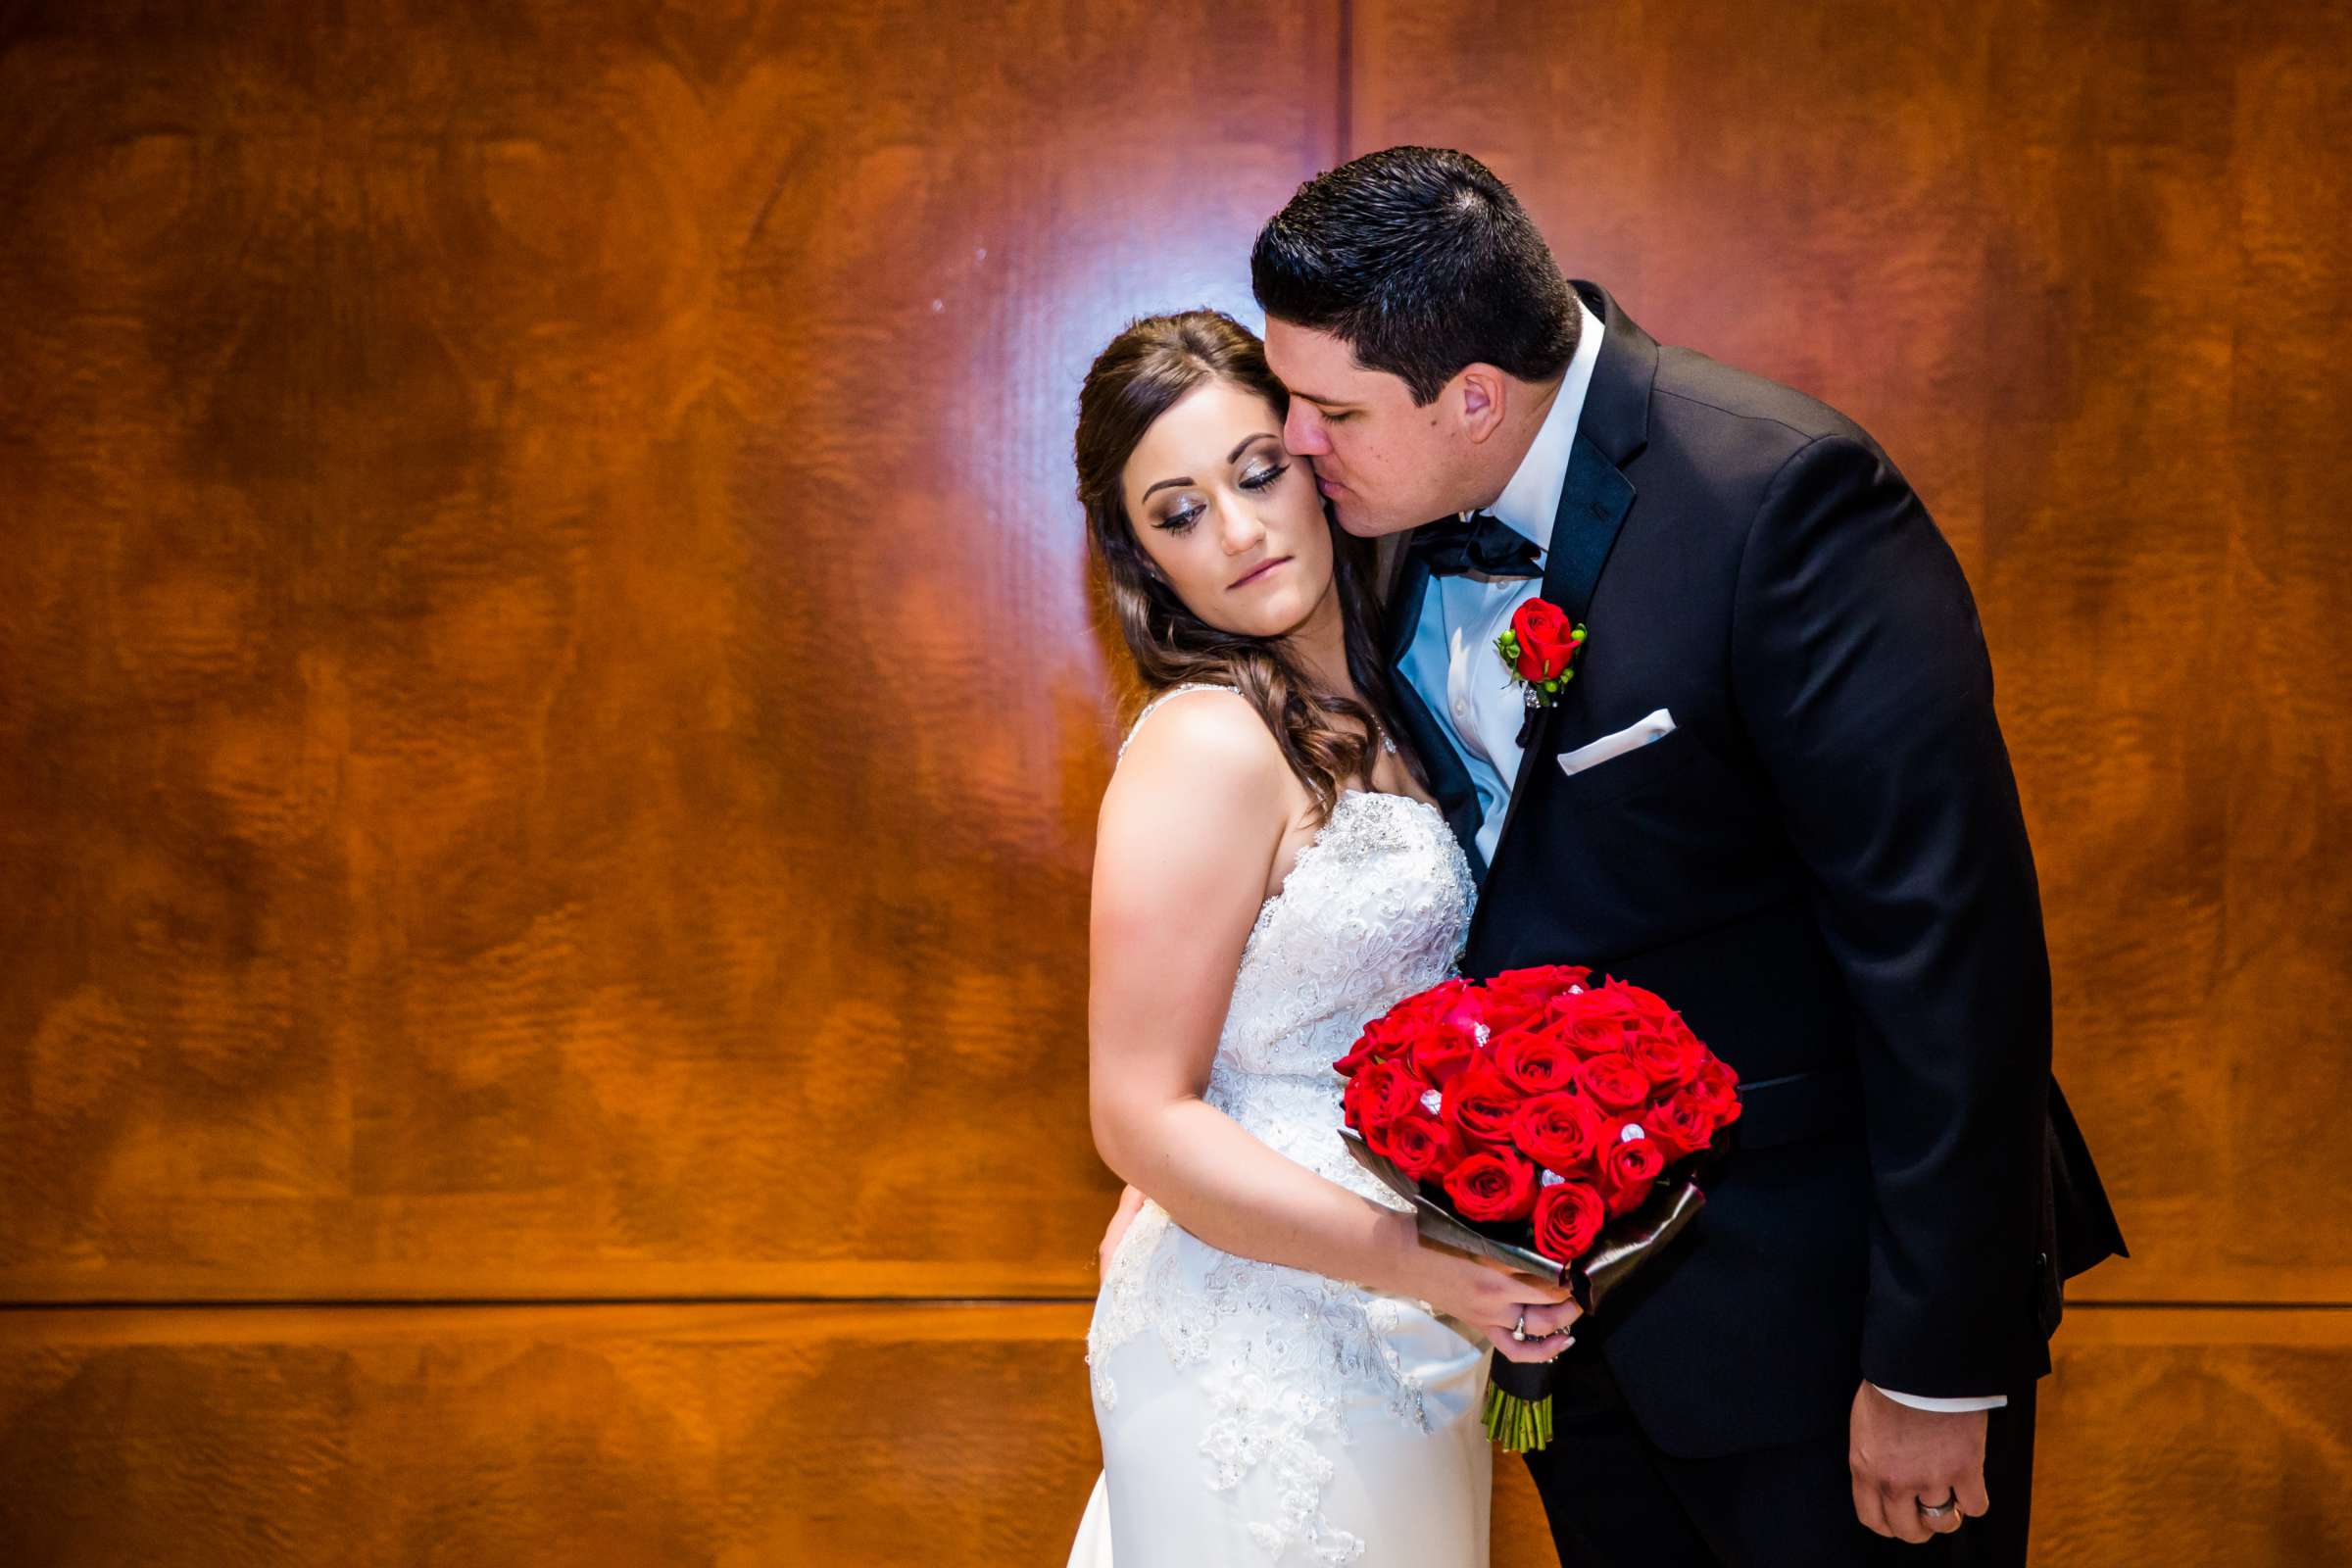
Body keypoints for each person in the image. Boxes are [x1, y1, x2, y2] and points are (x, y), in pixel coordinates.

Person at [1228, 145, 2128, 1566]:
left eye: (1330, 407)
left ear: (1475, 397)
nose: (1298, 440)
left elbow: (1948, 948)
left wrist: (1935, 1365)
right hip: (1571, 1335)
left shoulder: (1783, 503)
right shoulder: (1383, 524)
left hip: (1823, 1327)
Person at [1063, 309, 1579, 1567]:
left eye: (1255, 473)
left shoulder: (1405, 705)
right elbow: (1137, 1113)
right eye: (1178, 512)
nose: (1236, 532)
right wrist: (1427, 1264)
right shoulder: (1206, 743)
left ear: (1316, 455)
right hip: (1260, 1327)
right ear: (1142, 560)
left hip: (1407, 1323)